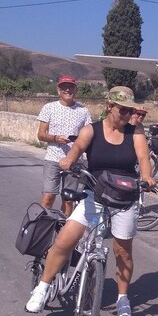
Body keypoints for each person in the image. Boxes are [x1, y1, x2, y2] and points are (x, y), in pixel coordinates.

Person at [26, 86, 156, 316]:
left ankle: (122, 298)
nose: (127, 115)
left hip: (124, 200)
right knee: (65, 240)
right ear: (109, 107)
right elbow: (76, 150)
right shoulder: (91, 130)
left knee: (123, 252)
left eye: (130, 110)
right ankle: (42, 289)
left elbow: (144, 158)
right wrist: (68, 160)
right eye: (123, 110)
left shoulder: (135, 132)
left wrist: (146, 176)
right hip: (94, 197)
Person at [36, 75, 92, 215]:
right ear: (58, 90)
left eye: (71, 87)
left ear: (75, 89)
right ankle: (41, 226)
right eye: (64, 87)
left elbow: (89, 135)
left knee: (68, 200)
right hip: (53, 159)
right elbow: (41, 135)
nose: (67, 89)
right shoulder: (49, 108)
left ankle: (63, 229)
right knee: (48, 197)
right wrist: (55, 138)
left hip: (74, 161)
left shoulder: (83, 111)